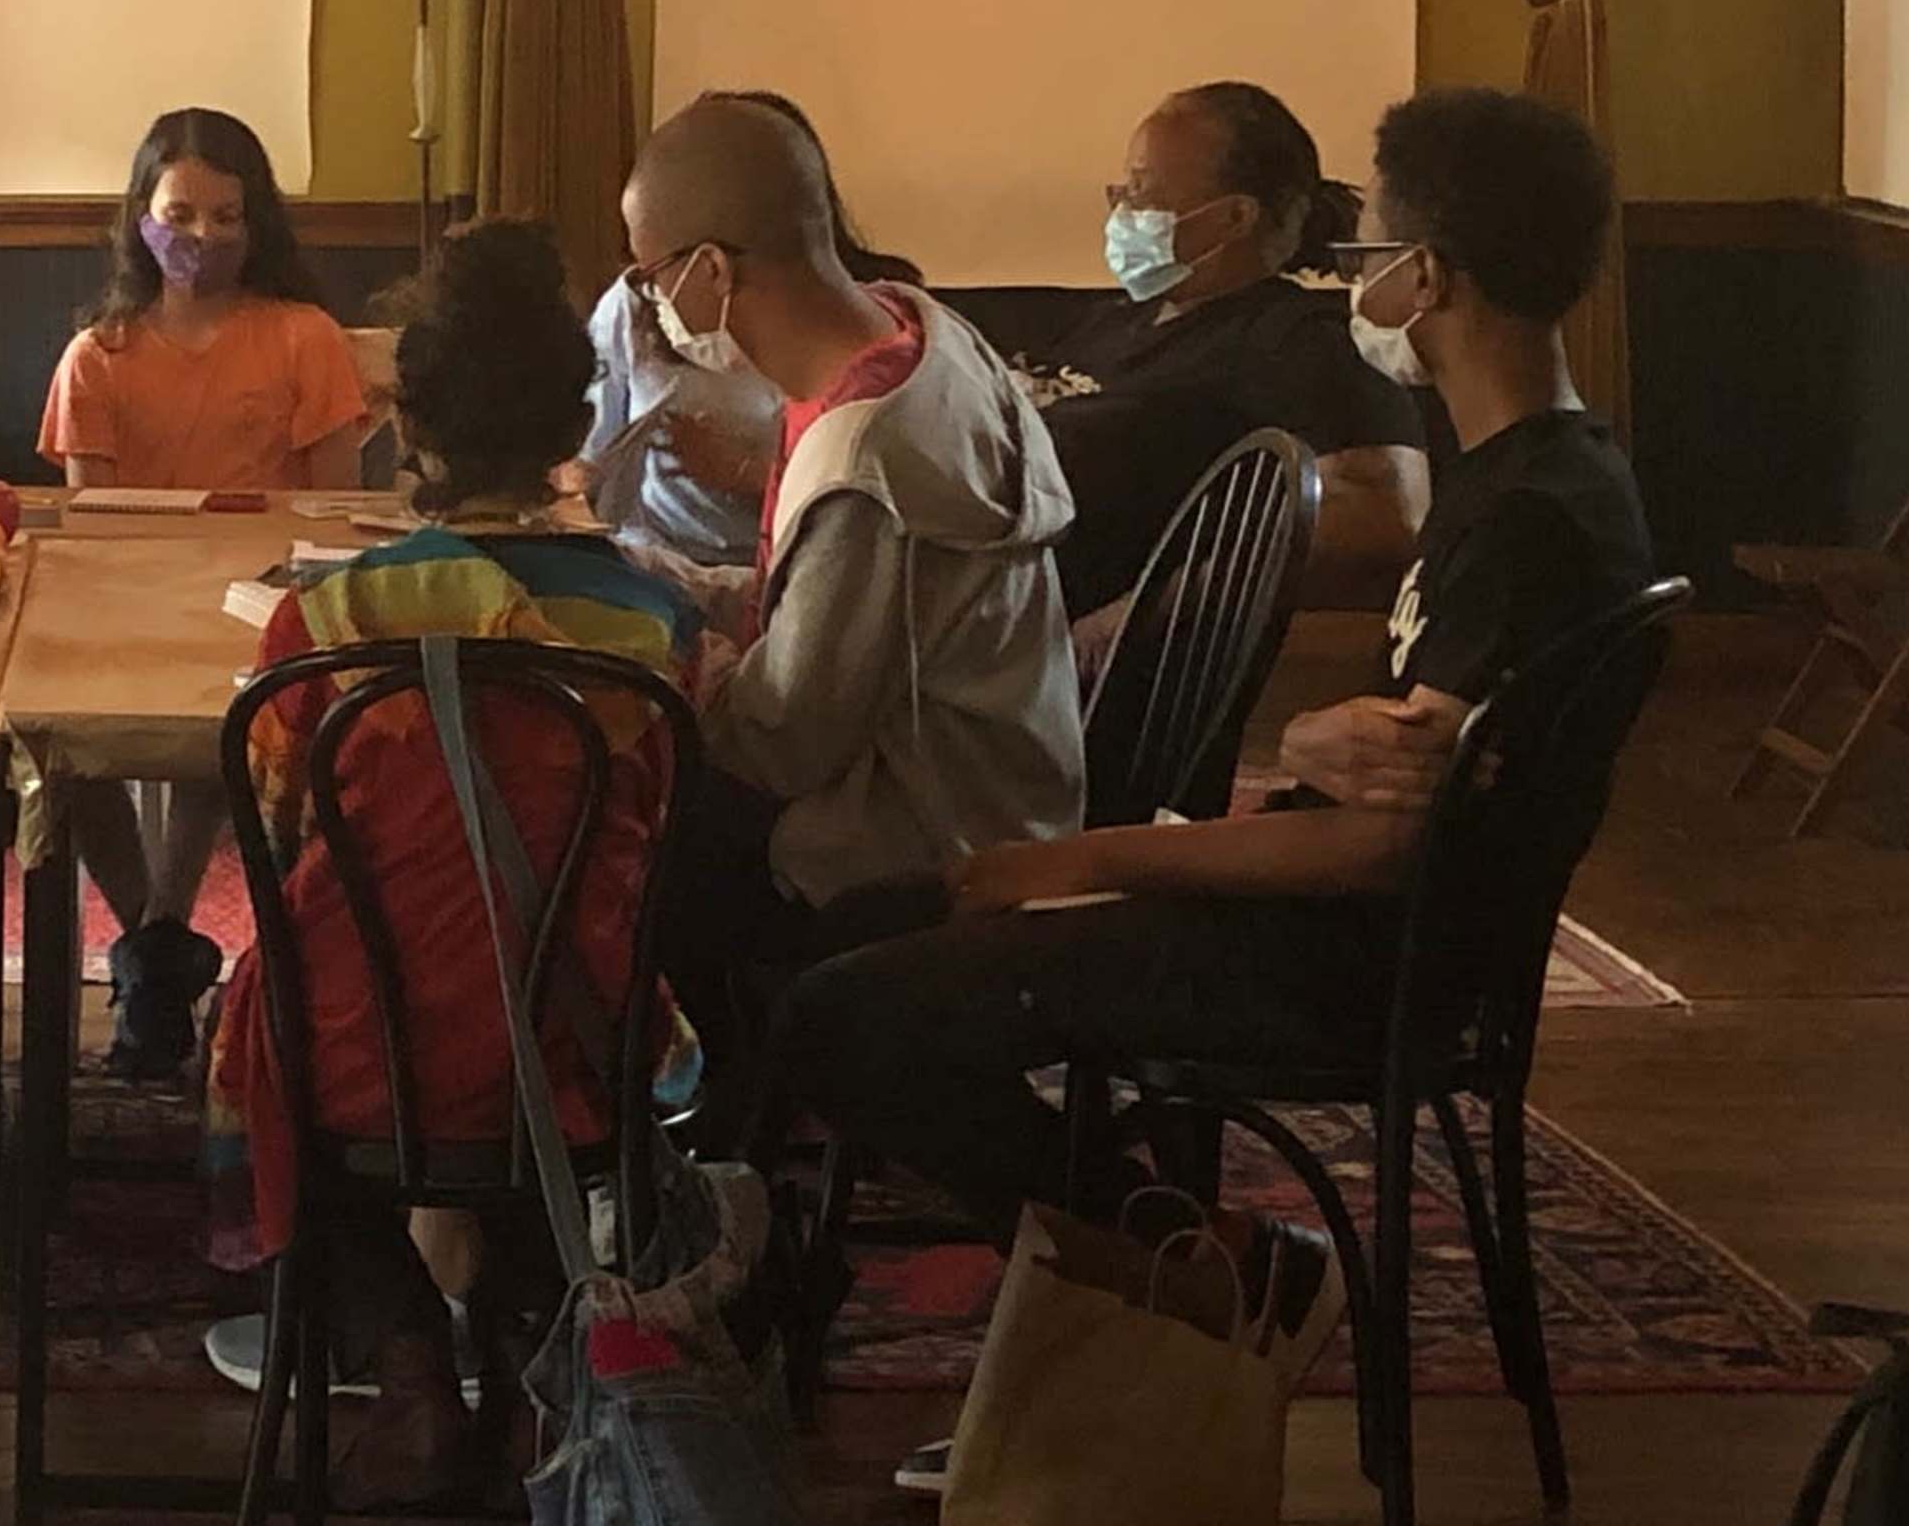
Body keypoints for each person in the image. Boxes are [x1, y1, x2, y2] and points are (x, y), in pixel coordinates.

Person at [769, 88, 1653, 1426]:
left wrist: (1059, 861)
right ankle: (1149, 1278)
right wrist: (1301, 736)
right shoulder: (1551, 479)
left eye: (1378, 259)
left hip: (1349, 959)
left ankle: (1197, 1268)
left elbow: (1373, 839)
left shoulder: (1524, 525)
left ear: (1430, 280)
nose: (1364, 284)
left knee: (837, 1009)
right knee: (873, 933)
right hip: (1349, 924)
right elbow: (1371, 775)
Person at [207, 221, 706, 1501]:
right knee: (522, 1055)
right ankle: (542, 1326)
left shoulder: (325, 619)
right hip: (573, 1039)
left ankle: (404, 1346)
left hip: (362, 1041)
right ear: (572, 427)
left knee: (252, 1028)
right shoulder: (652, 625)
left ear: (405, 424)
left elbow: (275, 841)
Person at [625, 93, 1083, 1001]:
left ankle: (700, 1101)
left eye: (650, 277)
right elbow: (827, 610)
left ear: (709, 270)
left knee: (606, 823)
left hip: (917, 834)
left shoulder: (866, 459)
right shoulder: (918, 329)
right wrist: (659, 576)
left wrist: (661, 647)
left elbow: (783, 744)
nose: (648, 304)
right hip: (1013, 768)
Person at [40, 107, 372, 1078]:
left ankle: (153, 949)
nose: (202, 239)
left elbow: (338, 512)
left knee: (214, 728)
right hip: (124, 604)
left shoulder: (305, 337)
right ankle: (159, 944)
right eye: (181, 214)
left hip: (257, 609)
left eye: (227, 217)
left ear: (257, 223)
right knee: (68, 744)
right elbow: (91, 523)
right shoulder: (95, 356)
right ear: (139, 215)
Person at [1025, 80, 1431, 619]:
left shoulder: (1297, 338)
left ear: (1235, 217)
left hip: (1081, 650)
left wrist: (1147, 612)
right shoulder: (1113, 321)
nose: (1124, 208)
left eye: (1142, 190)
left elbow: (1384, 518)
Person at [579, 90, 911, 583]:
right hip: (665, 570)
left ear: (713, 268)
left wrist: (747, 470)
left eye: (654, 274)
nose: (649, 293)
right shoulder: (630, 308)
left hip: (774, 576)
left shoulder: (854, 424)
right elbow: (591, 458)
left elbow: (807, 644)